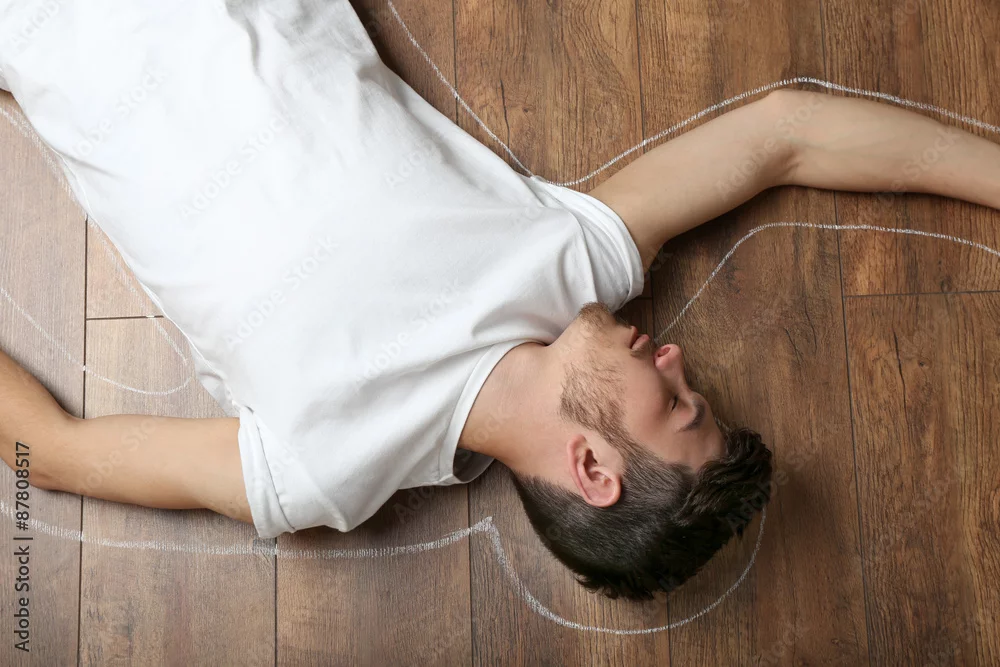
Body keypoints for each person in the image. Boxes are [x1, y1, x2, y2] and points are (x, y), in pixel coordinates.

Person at [1, 0, 998, 601]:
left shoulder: (323, 470)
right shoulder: (575, 268)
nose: (674, 357)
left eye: (677, 403)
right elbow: (788, 135)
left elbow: (51, 449)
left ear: (592, 467)